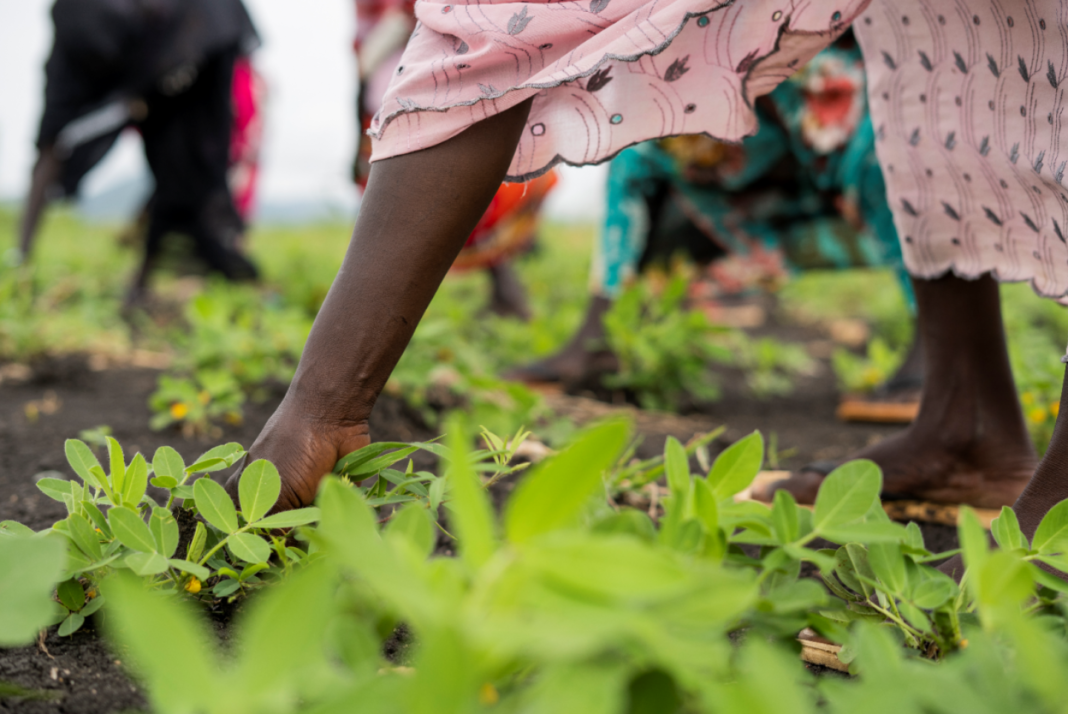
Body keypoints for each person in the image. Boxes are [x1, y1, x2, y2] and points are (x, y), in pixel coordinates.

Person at [230, 0, 1068, 547]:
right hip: (754, 173)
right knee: (945, 30)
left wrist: (320, 404)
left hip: (809, 159)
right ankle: (967, 417)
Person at [505, 36, 924, 417]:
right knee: (643, 156)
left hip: (858, 176)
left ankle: (939, 352)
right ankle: (601, 342)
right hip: (770, 188)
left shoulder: (832, 94)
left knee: (877, 157)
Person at [19, 0, 261, 305]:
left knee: (185, 161)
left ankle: (166, 272)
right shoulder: (80, 26)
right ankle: (21, 261)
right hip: (137, 39)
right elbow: (53, 136)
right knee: (178, 161)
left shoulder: (201, 27)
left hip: (189, 42)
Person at [352, 0, 557, 320]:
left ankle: (378, 313)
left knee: (438, 205)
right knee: (411, 211)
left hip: (419, 91)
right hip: (396, 96)